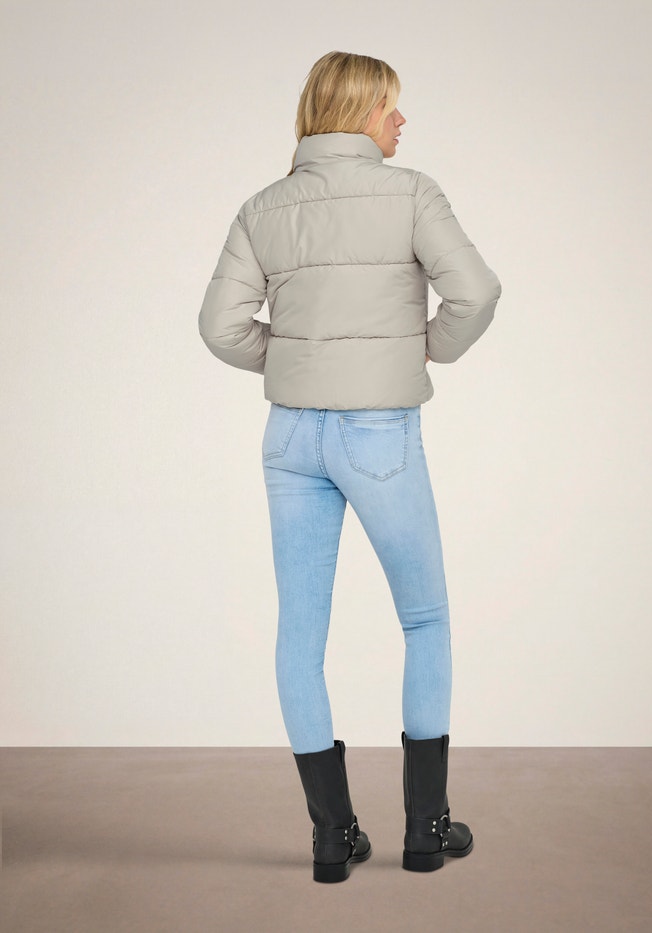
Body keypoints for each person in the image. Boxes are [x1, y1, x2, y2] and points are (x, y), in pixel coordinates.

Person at [198, 50, 502, 883]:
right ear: (362, 109)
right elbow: (476, 292)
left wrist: (298, 362)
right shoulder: (412, 194)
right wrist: (420, 351)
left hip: (291, 437)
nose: (402, 121)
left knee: (300, 636)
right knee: (425, 619)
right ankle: (425, 829)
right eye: (391, 106)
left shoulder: (263, 207)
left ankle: (332, 838)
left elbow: (220, 327)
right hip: (378, 434)